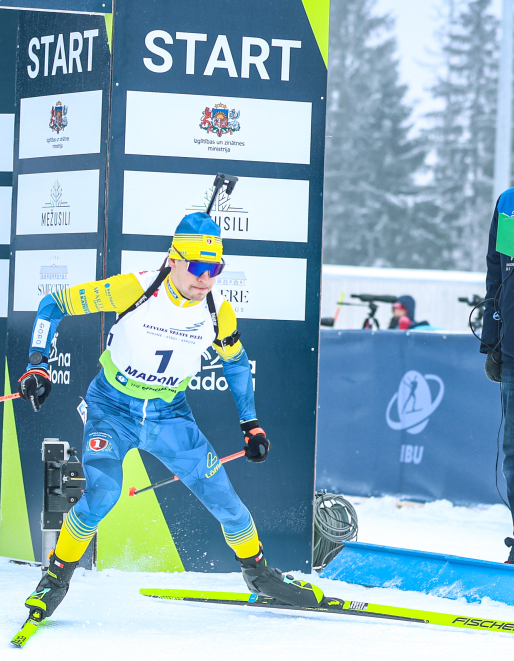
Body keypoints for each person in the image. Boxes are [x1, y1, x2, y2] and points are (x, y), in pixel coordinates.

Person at [17, 212, 325, 624]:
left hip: (170, 416)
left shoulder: (218, 311)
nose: (206, 279)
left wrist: (250, 424)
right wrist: (38, 363)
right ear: (173, 260)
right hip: (112, 409)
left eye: (215, 269)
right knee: (103, 494)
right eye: (197, 267)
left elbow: (236, 363)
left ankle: (259, 575)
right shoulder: (135, 289)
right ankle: (55, 580)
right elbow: (53, 305)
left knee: (228, 505)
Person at [482, 192, 514, 564]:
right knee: (513, 455)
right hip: (513, 349)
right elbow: (499, 272)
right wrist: (492, 340)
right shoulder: (509, 203)